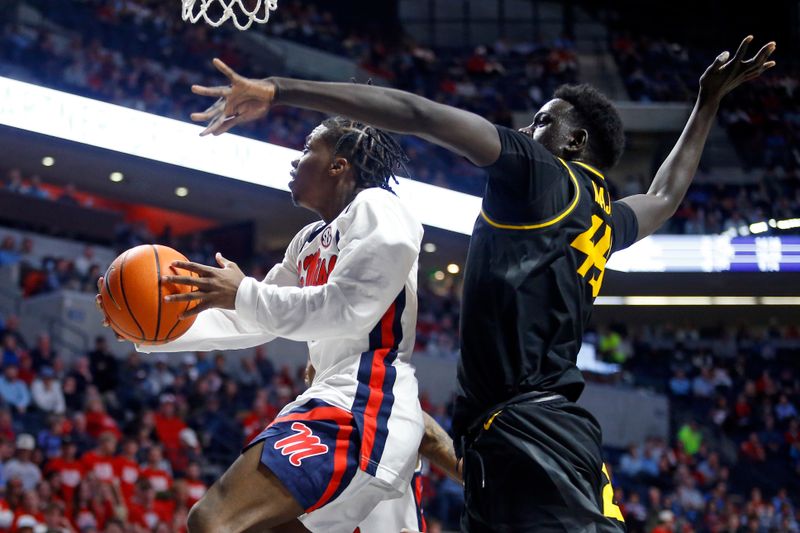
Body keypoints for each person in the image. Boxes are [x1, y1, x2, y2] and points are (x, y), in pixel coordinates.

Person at [186, 35, 774, 531]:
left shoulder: (540, 171)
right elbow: (666, 198)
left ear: (572, 143)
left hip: (533, 427)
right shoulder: (608, 214)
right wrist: (705, 103)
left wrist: (280, 90)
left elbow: (417, 114)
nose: (526, 128)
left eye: (542, 122)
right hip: (500, 435)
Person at [97, 116, 458, 532]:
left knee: (215, 520)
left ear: (338, 165)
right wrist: (148, 333)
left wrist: (243, 292)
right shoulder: (308, 241)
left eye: (308, 149)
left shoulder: (379, 207)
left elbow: (351, 305)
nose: (295, 161)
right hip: (344, 403)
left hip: (363, 404)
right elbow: (252, 321)